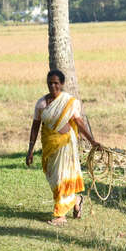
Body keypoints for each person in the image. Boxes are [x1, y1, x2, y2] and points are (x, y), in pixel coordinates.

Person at [26, 70, 100, 225]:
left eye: (56, 83)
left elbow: (79, 122)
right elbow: (35, 127)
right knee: (53, 179)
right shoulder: (40, 104)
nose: (53, 86)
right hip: (49, 146)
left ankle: (60, 216)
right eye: (50, 83)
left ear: (62, 84)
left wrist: (92, 141)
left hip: (66, 144)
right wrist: (30, 150)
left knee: (61, 178)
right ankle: (76, 200)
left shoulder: (69, 102)